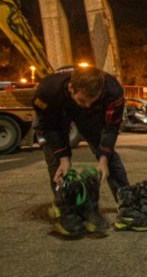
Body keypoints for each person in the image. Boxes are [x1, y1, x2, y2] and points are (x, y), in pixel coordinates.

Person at [33, 66, 128, 236]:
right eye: (84, 100)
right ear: (71, 88)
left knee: (109, 157)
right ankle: (65, 208)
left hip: (89, 117)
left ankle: (128, 205)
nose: (88, 104)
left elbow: (111, 127)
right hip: (55, 115)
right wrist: (63, 157)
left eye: (93, 100)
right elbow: (49, 128)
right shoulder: (47, 91)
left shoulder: (113, 91)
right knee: (57, 163)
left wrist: (103, 158)